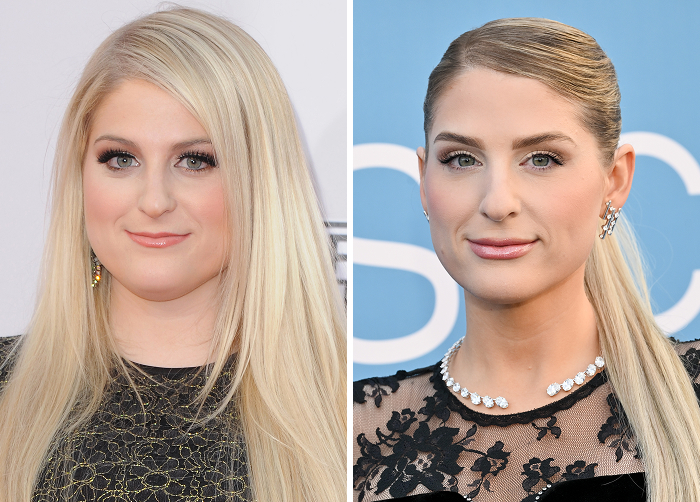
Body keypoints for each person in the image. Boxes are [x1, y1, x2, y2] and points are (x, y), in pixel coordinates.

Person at [0, 8, 346, 502]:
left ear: (260, 182)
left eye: (195, 160)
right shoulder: (6, 392)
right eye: (121, 159)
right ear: (81, 174)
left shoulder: (353, 412)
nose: (155, 200)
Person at [353, 18, 700, 502]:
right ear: (424, 180)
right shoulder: (351, 432)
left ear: (615, 181)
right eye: (461, 159)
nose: (497, 203)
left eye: (542, 159)